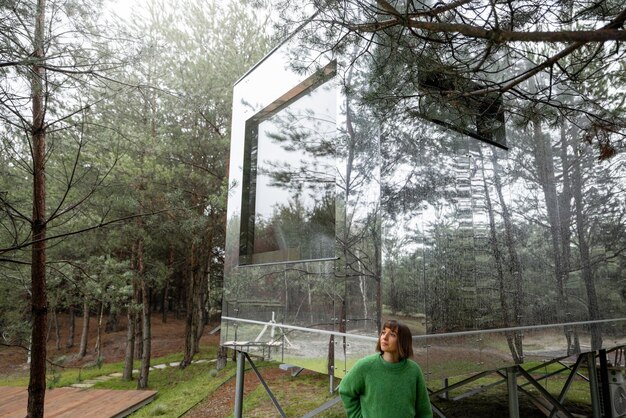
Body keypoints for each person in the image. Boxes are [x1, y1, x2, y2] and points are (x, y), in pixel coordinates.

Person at [338, 319, 433, 418]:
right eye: (383, 332)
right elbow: (345, 390)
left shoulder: (414, 370)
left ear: (403, 341)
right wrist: (356, 415)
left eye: (392, 334)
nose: (385, 337)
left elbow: (424, 410)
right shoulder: (365, 366)